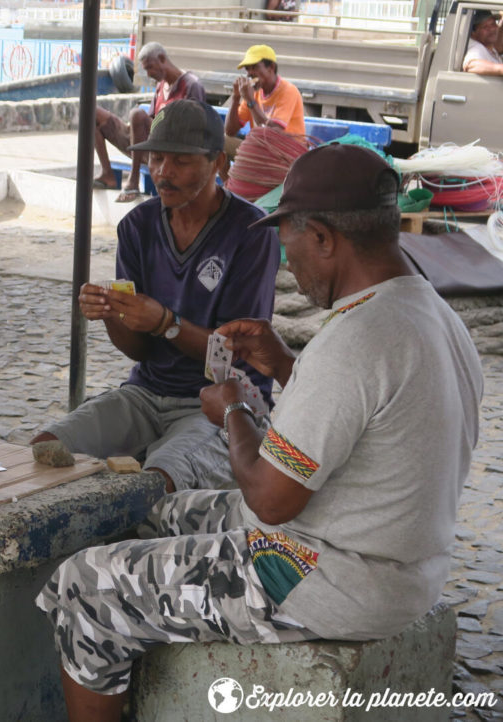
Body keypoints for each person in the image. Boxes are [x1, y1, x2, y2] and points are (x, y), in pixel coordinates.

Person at [35, 143, 483, 721]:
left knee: (84, 586)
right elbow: (359, 422)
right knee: (145, 512)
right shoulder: (431, 315)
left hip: (327, 575)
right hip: (395, 562)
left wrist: (233, 413)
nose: (288, 264)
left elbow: (270, 499)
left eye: (290, 244)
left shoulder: (356, 339)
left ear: (323, 237)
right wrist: (285, 365)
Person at [32, 100, 280, 493]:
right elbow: (139, 352)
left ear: (218, 163)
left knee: (156, 485)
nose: (163, 172)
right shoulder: (138, 226)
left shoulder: (252, 231)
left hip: (223, 402)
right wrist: (113, 314)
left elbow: (236, 354)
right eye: (156, 158)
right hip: (145, 394)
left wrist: (166, 323)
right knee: (44, 450)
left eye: (180, 161)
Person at [93, 42, 206, 203]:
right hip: (150, 146)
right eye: (146, 70)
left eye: (150, 68)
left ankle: (133, 180)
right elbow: (152, 119)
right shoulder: (161, 87)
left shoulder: (190, 85)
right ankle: (107, 174)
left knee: (137, 114)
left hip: (173, 149)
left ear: (162, 59)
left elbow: (195, 127)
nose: (149, 74)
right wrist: (130, 130)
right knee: (93, 112)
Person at [225, 44, 305, 139]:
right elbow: (230, 131)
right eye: (247, 69)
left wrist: (251, 101)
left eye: (254, 67)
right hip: (261, 148)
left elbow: (272, 134)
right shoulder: (253, 92)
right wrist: (236, 97)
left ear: (271, 67)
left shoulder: (288, 91)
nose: (250, 73)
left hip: (288, 150)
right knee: (223, 140)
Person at [463, 9, 503, 75]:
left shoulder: (489, 47)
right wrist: (500, 69)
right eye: (485, 27)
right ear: (473, 33)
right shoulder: (476, 48)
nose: (492, 29)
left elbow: (498, 46)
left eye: (493, 24)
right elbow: (472, 65)